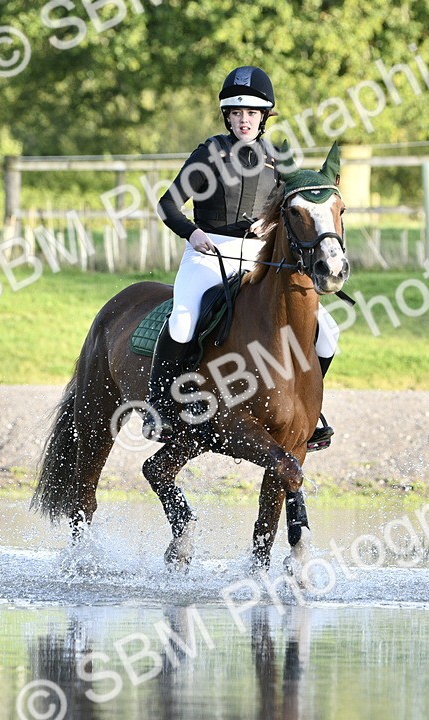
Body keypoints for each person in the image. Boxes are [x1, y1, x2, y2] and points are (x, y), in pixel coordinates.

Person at [146, 65, 339, 448]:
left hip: (259, 259)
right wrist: (193, 233)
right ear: (227, 116)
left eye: (251, 113)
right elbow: (168, 205)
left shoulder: (278, 159)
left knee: (328, 335)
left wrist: (272, 231)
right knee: (183, 322)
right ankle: (160, 408)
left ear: (264, 117)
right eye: (236, 113)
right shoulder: (208, 153)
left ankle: (308, 409)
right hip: (208, 253)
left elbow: (290, 214)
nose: (244, 120)